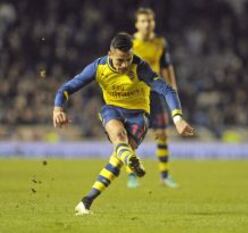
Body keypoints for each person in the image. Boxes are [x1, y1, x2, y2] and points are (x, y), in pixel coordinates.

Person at [52, 32, 194, 215]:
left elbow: (167, 90)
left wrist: (178, 118)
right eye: (120, 60)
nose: (125, 65)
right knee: (119, 137)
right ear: (110, 54)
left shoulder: (140, 67)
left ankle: (86, 201)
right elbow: (66, 88)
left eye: (128, 59)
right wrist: (58, 109)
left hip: (139, 117)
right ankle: (130, 159)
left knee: (117, 159)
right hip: (112, 110)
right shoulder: (98, 67)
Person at [123, 7, 180, 188]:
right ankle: (132, 175)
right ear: (137, 24)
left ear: (153, 22)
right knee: (131, 136)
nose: (147, 24)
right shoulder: (130, 43)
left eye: (150, 21)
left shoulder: (160, 43)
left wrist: (173, 87)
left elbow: (166, 66)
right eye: (143, 21)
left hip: (154, 93)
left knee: (161, 133)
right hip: (134, 93)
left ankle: (164, 175)